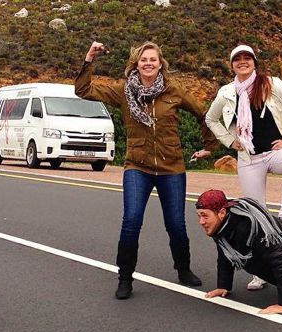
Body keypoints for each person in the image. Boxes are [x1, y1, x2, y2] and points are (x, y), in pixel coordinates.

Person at [76, 40, 218, 299]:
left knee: (176, 224)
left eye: (153, 59)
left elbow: (203, 113)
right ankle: (125, 278)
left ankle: (183, 269)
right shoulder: (123, 91)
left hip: (171, 166)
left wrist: (210, 146)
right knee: (131, 221)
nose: (148, 63)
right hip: (137, 166)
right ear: (136, 64)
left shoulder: (174, 90)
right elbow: (83, 90)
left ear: (160, 63)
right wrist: (89, 60)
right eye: (144, 59)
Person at [205, 43, 282, 291]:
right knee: (256, 217)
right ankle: (260, 272)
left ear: (254, 62)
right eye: (237, 59)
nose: (242, 62)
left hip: (274, 153)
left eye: (247, 58)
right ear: (231, 65)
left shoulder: (271, 84)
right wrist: (229, 141)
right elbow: (211, 118)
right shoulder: (227, 92)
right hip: (249, 159)